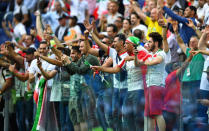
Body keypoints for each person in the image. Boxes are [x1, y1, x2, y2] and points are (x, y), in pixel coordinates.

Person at [135, 32, 166, 131]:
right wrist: (136, 55)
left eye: (150, 41)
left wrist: (144, 59)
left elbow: (155, 61)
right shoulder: (149, 55)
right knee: (148, 114)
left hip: (156, 85)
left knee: (156, 113)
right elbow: (137, 64)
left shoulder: (161, 53)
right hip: (149, 85)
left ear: (156, 43)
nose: (148, 43)